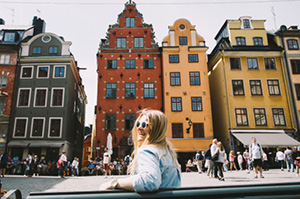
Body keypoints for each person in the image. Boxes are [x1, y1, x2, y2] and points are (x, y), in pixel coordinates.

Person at [99, 109, 181, 192]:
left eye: (144, 124)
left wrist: (115, 183)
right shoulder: (167, 152)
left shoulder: (148, 151)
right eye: (138, 124)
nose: (139, 127)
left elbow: (149, 182)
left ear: (156, 129)